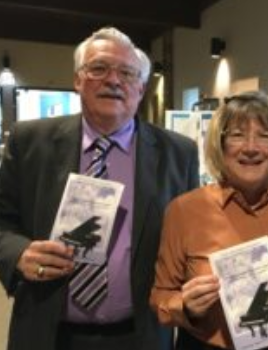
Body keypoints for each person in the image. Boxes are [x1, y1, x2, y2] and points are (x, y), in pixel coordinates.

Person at [0, 26, 199, 350]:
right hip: (47, 333)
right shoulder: (29, 142)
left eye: (127, 72)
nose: (114, 80)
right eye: (99, 69)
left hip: (141, 336)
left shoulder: (180, 153)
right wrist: (18, 253)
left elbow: (191, 241)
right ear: (78, 79)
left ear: (141, 87)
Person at [150, 91, 268, 350]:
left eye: (265, 136)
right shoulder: (184, 210)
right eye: (237, 135)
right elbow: (161, 296)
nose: (251, 147)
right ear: (220, 144)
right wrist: (185, 306)